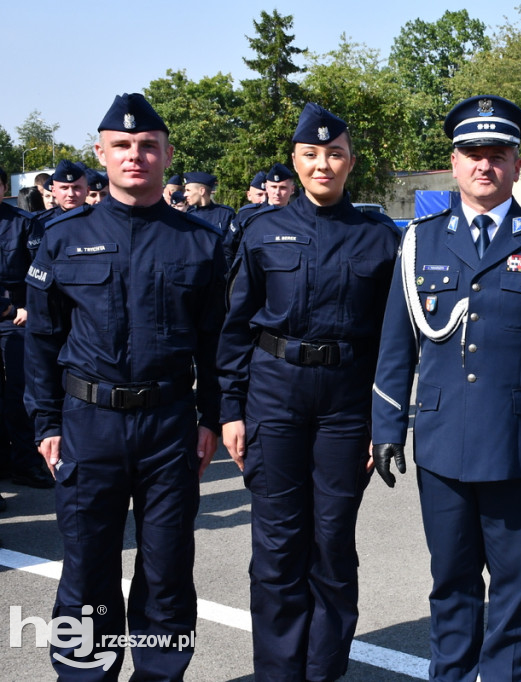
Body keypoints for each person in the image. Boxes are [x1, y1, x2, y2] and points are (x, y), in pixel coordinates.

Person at [371, 95, 521, 681]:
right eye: (473, 153)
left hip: (517, 445)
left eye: (497, 154)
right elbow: (397, 346)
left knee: (516, 590)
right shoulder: (419, 241)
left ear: (517, 165)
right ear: (454, 162)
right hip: (442, 442)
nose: (484, 165)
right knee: (450, 582)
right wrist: (386, 426)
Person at [24, 93, 225, 679]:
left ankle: (160, 675)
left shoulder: (201, 241)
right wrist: (46, 423)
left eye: (147, 147)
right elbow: (40, 341)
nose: (134, 156)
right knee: (87, 568)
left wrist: (210, 418)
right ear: (100, 154)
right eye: (122, 146)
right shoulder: (62, 237)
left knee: (166, 570)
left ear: (166, 155)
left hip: (168, 426)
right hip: (88, 426)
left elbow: (216, 345)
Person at [218, 102, 399, 681]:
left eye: (335, 154)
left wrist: (383, 423)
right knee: (276, 546)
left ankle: (324, 671)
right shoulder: (261, 231)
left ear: (351, 162)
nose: (324, 165)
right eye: (312, 155)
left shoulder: (380, 237)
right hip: (275, 395)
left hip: (346, 404)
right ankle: (278, 672)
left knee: (332, 544)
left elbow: (393, 343)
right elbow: (236, 325)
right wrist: (230, 408)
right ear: (295, 163)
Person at [0, 167, 51, 489]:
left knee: (20, 393)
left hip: (14, 318)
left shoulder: (22, 223)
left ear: (4, 186)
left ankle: (24, 461)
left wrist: (30, 308)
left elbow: (41, 273)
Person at [36, 160, 87, 225]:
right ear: (54, 191)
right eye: (64, 188)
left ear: (87, 190)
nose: (71, 194)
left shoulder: (99, 217)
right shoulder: (42, 222)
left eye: (76, 187)